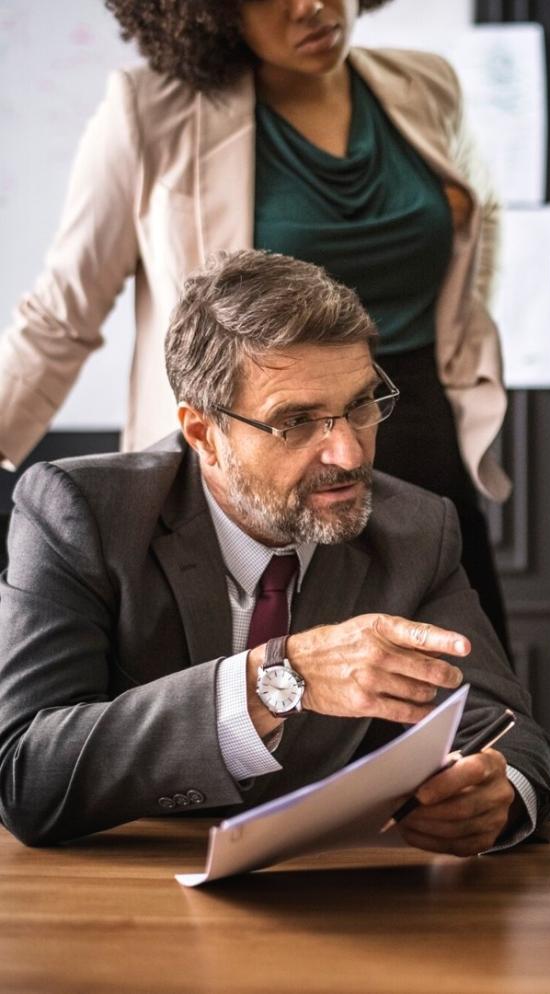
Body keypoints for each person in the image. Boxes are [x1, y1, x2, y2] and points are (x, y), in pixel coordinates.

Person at [0, 250, 550, 850]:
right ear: (202, 434)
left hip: (335, 897)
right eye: (295, 422)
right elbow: (28, 776)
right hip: (128, 895)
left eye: (361, 406)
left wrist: (495, 794)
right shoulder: (82, 512)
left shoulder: (417, 527)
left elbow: (505, 730)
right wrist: (274, 680)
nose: (348, 454)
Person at [0, 0, 513, 648]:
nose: (312, 6)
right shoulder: (150, 111)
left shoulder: (424, 82)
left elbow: (476, 226)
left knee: (458, 692)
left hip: (414, 438)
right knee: (260, 705)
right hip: (257, 457)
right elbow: (60, 315)